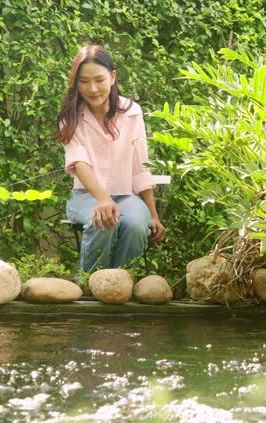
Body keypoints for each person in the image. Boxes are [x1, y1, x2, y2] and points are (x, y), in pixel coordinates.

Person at [57, 44, 165, 272]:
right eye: (84, 81)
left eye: (99, 79)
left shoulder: (132, 112)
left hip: (126, 195)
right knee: (103, 220)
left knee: (137, 224)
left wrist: (153, 215)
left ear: (113, 77)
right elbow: (79, 163)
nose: (92, 88)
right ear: (76, 82)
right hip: (85, 196)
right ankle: (90, 286)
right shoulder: (71, 117)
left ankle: (122, 283)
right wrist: (103, 199)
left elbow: (140, 167)